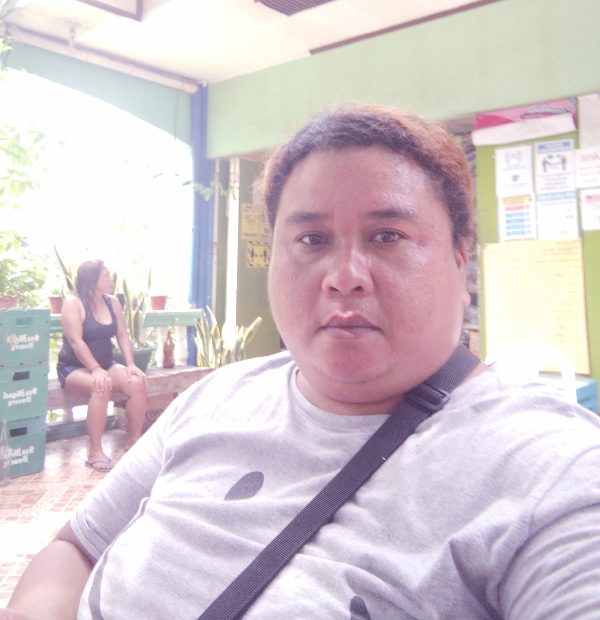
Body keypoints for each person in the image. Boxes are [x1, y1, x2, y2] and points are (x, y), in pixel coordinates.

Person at [4, 105, 600, 620]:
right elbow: (74, 547)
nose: (345, 277)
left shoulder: (552, 471)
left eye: (388, 235)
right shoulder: (217, 396)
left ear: (460, 259)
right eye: (312, 240)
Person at [56, 260, 147, 471]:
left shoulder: (112, 302)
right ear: (93, 279)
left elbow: (122, 335)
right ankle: (95, 452)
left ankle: (135, 441)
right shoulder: (73, 303)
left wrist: (131, 365)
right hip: (73, 368)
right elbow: (75, 341)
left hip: (106, 365)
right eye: (106, 275)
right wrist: (95, 369)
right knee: (101, 386)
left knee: (137, 381)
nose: (111, 279)